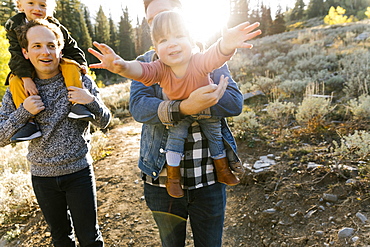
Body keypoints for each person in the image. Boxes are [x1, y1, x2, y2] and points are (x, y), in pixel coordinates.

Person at [89, 11, 261, 198]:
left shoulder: (199, 61)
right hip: (178, 113)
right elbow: (140, 71)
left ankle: (223, 170)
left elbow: (216, 55)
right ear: (155, 48)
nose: (172, 43)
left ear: (192, 40)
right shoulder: (159, 69)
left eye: (179, 36)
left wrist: (226, 45)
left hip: (205, 111)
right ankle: (173, 179)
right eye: (163, 40)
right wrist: (121, 66)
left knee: (215, 135)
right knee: (175, 140)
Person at [0, 19, 111, 246]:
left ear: (60, 50)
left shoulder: (79, 80)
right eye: (37, 46)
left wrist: (91, 102)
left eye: (51, 45)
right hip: (43, 178)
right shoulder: (17, 90)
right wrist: (23, 112)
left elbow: (106, 122)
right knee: (61, 239)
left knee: (90, 239)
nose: (45, 52)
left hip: (79, 173)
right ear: (26, 52)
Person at [4, 0, 94, 143]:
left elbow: (71, 47)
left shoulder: (55, 25)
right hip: (27, 67)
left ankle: (78, 105)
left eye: (43, 5)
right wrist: (26, 78)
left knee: (71, 66)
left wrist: (82, 64)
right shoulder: (14, 27)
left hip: (56, 64)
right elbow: (16, 55)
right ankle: (29, 123)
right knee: (15, 80)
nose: (37, 8)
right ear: (20, 6)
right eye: (31, 3)